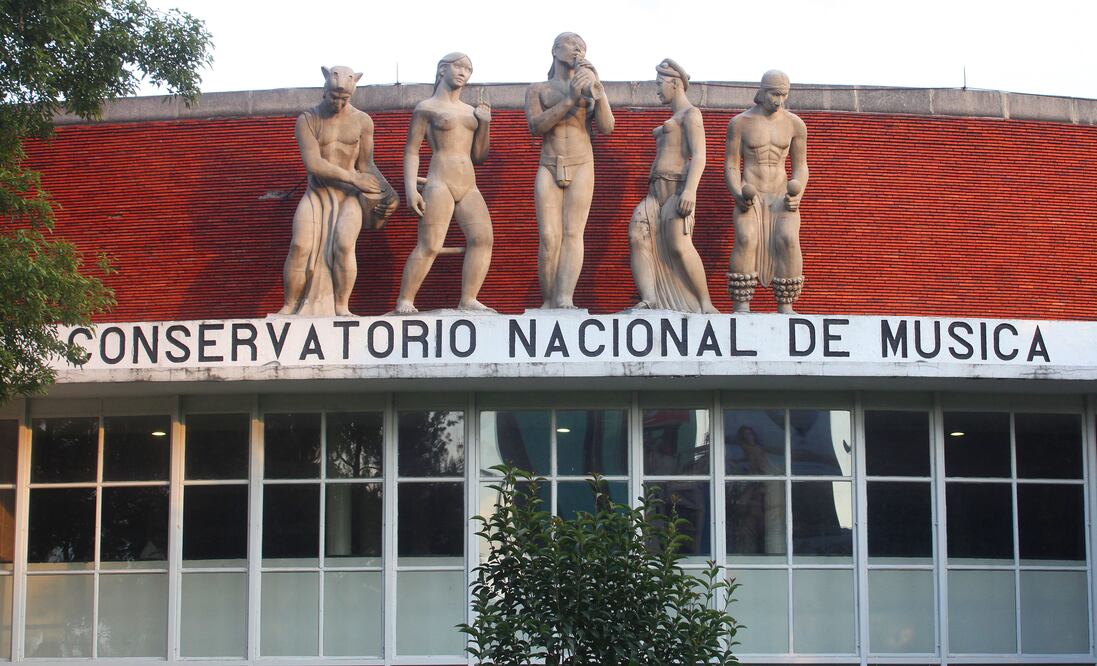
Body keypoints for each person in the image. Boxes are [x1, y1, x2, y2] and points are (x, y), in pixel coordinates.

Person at [278, 65, 397, 316]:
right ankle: (290, 305)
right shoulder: (308, 119)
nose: (339, 103)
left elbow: (367, 164)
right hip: (317, 194)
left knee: (344, 246)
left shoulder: (363, 121)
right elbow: (314, 163)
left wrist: (388, 193)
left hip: (349, 198)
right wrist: (354, 178)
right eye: (334, 97)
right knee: (300, 246)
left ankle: (341, 306)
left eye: (344, 99)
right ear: (324, 89)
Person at [393, 53, 494, 314]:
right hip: (440, 181)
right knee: (430, 244)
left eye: (468, 69)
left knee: (483, 238)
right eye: (458, 66)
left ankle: (468, 298)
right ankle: (406, 300)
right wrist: (410, 189)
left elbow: (479, 156)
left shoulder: (472, 112)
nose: (463, 72)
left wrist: (484, 125)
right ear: (442, 70)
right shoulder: (427, 108)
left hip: (468, 184)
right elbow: (411, 151)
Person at [525, 32, 615, 309]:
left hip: (582, 162)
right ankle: (548, 301)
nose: (578, 50)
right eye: (572, 44)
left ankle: (565, 299)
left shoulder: (589, 87)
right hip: (549, 163)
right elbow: (535, 127)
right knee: (549, 237)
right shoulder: (538, 88)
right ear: (555, 49)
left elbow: (607, 126)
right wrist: (569, 100)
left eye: (582, 47)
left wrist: (598, 91)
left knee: (574, 233)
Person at [628, 59, 717, 313]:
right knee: (637, 234)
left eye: (660, 83)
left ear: (675, 83)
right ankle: (650, 298)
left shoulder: (691, 114)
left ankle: (704, 303)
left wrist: (690, 190)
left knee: (679, 245)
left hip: (677, 188)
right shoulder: (674, 117)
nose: (656, 89)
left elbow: (699, 155)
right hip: (655, 191)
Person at [725, 70, 809, 314]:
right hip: (751, 196)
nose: (779, 100)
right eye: (774, 94)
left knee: (789, 240)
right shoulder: (740, 123)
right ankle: (741, 305)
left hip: (782, 196)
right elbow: (731, 165)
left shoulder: (795, 125)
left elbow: (801, 166)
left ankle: (786, 306)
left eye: (783, 95)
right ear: (761, 92)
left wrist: (798, 193)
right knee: (745, 238)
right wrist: (737, 193)